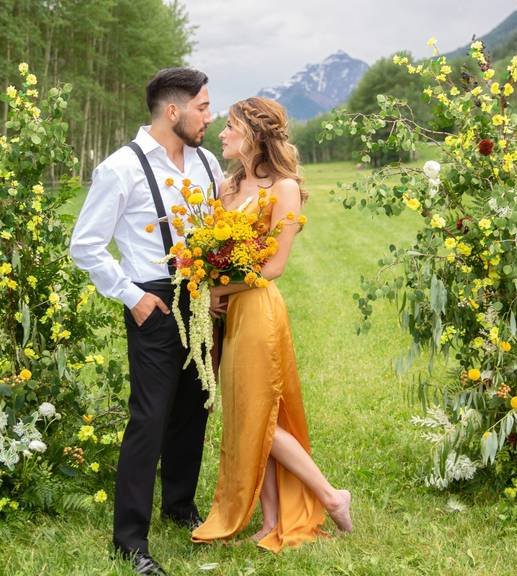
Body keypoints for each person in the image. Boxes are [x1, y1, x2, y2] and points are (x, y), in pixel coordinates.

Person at [70, 68, 222, 576]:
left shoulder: (208, 163)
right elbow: (85, 244)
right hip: (152, 301)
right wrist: (131, 297)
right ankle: (130, 540)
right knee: (149, 418)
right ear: (173, 111)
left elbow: (223, 228)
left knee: (194, 408)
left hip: (201, 300)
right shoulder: (121, 168)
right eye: (202, 107)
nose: (210, 115)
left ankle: (180, 507)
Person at [191, 97, 353, 553]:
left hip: (259, 309)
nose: (221, 133)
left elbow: (275, 266)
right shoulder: (227, 187)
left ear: (255, 135)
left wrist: (221, 293)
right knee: (243, 412)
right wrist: (212, 290)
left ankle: (330, 495)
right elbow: (214, 255)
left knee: (261, 414)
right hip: (230, 314)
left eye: (229, 126)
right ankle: (270, 519)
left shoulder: (282, 188)